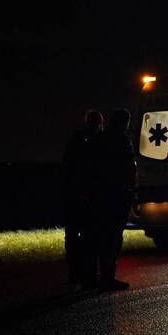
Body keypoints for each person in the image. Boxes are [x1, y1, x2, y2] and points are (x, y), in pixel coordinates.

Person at [91, 108, 137, 291]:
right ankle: (108, 278)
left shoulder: (101, 138)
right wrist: (131, 190)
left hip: (102, 195)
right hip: (117, 195)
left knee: (102, 235)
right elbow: (128, 170)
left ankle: (96, 275)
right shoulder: (121, 140)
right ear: (124, 122)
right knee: (112, 238)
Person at [61, 110, 104, 285]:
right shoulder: (99, 143)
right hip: (89, 196)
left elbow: (67, 168)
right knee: (91, 236)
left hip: (74, 195)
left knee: (74, 236)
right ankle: (90, 275)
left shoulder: (75, 141)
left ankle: (75, 272)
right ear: (99, 123)